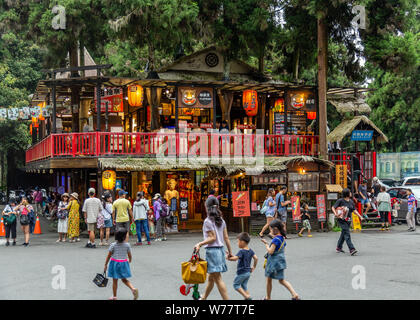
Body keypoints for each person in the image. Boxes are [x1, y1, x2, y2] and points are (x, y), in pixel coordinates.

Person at [194, 205, 233, 300]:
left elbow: (212, 238)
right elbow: (226, 237)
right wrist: (230, 252)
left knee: (218, 279)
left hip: (212, 252)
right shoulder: (222, 221)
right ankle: (203, 298)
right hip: (220, 250)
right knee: (211, 278)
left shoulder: (208, 221)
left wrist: (200, 244)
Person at [260, 219, 299, 300]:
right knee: (281, 280)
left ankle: (268, 298)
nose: (270, 231)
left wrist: (266, 244)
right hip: (280, 262)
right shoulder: (282, 238)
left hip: (273, 263)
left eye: (271, 229)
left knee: (269, 280)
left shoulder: (275, 240)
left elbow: (270, 251)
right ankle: (294, 294)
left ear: (275, 229)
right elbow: (282, 250)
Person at [104, 228, 139, 300]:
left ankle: (114, 296)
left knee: (115, 280)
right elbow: (129, 255)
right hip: (123, 263)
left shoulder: (113, 245)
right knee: (124, 279)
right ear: (124, 237)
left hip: (115, 263)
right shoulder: (127, 245)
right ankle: (133, 288)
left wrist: (105, 265)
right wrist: (129, 260)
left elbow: (109, 256)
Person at [332, 188, 364, 255]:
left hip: (348, 220)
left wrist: (360, 216)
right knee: (347, 234)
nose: (351, 193)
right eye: (350, 192)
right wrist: (336, 214)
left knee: (344, 233)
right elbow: (333, 207)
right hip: (341, 220)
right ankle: (351, 249)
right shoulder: (340, 201)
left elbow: (354, 210)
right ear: (347, 194)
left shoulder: (351, 201)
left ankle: (339, 247)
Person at [227, 232, 258, 300]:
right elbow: (256, 258)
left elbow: (235, 259)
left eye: (238, 241)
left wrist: (228, 258)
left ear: (242, 242)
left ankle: (247, 297)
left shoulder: (241, 251)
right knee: (244, 285)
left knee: (236, 285)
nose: (237, 243)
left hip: (242, 272)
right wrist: (254, 267)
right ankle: (247, 297)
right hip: (248, 272)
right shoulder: (250, 251)